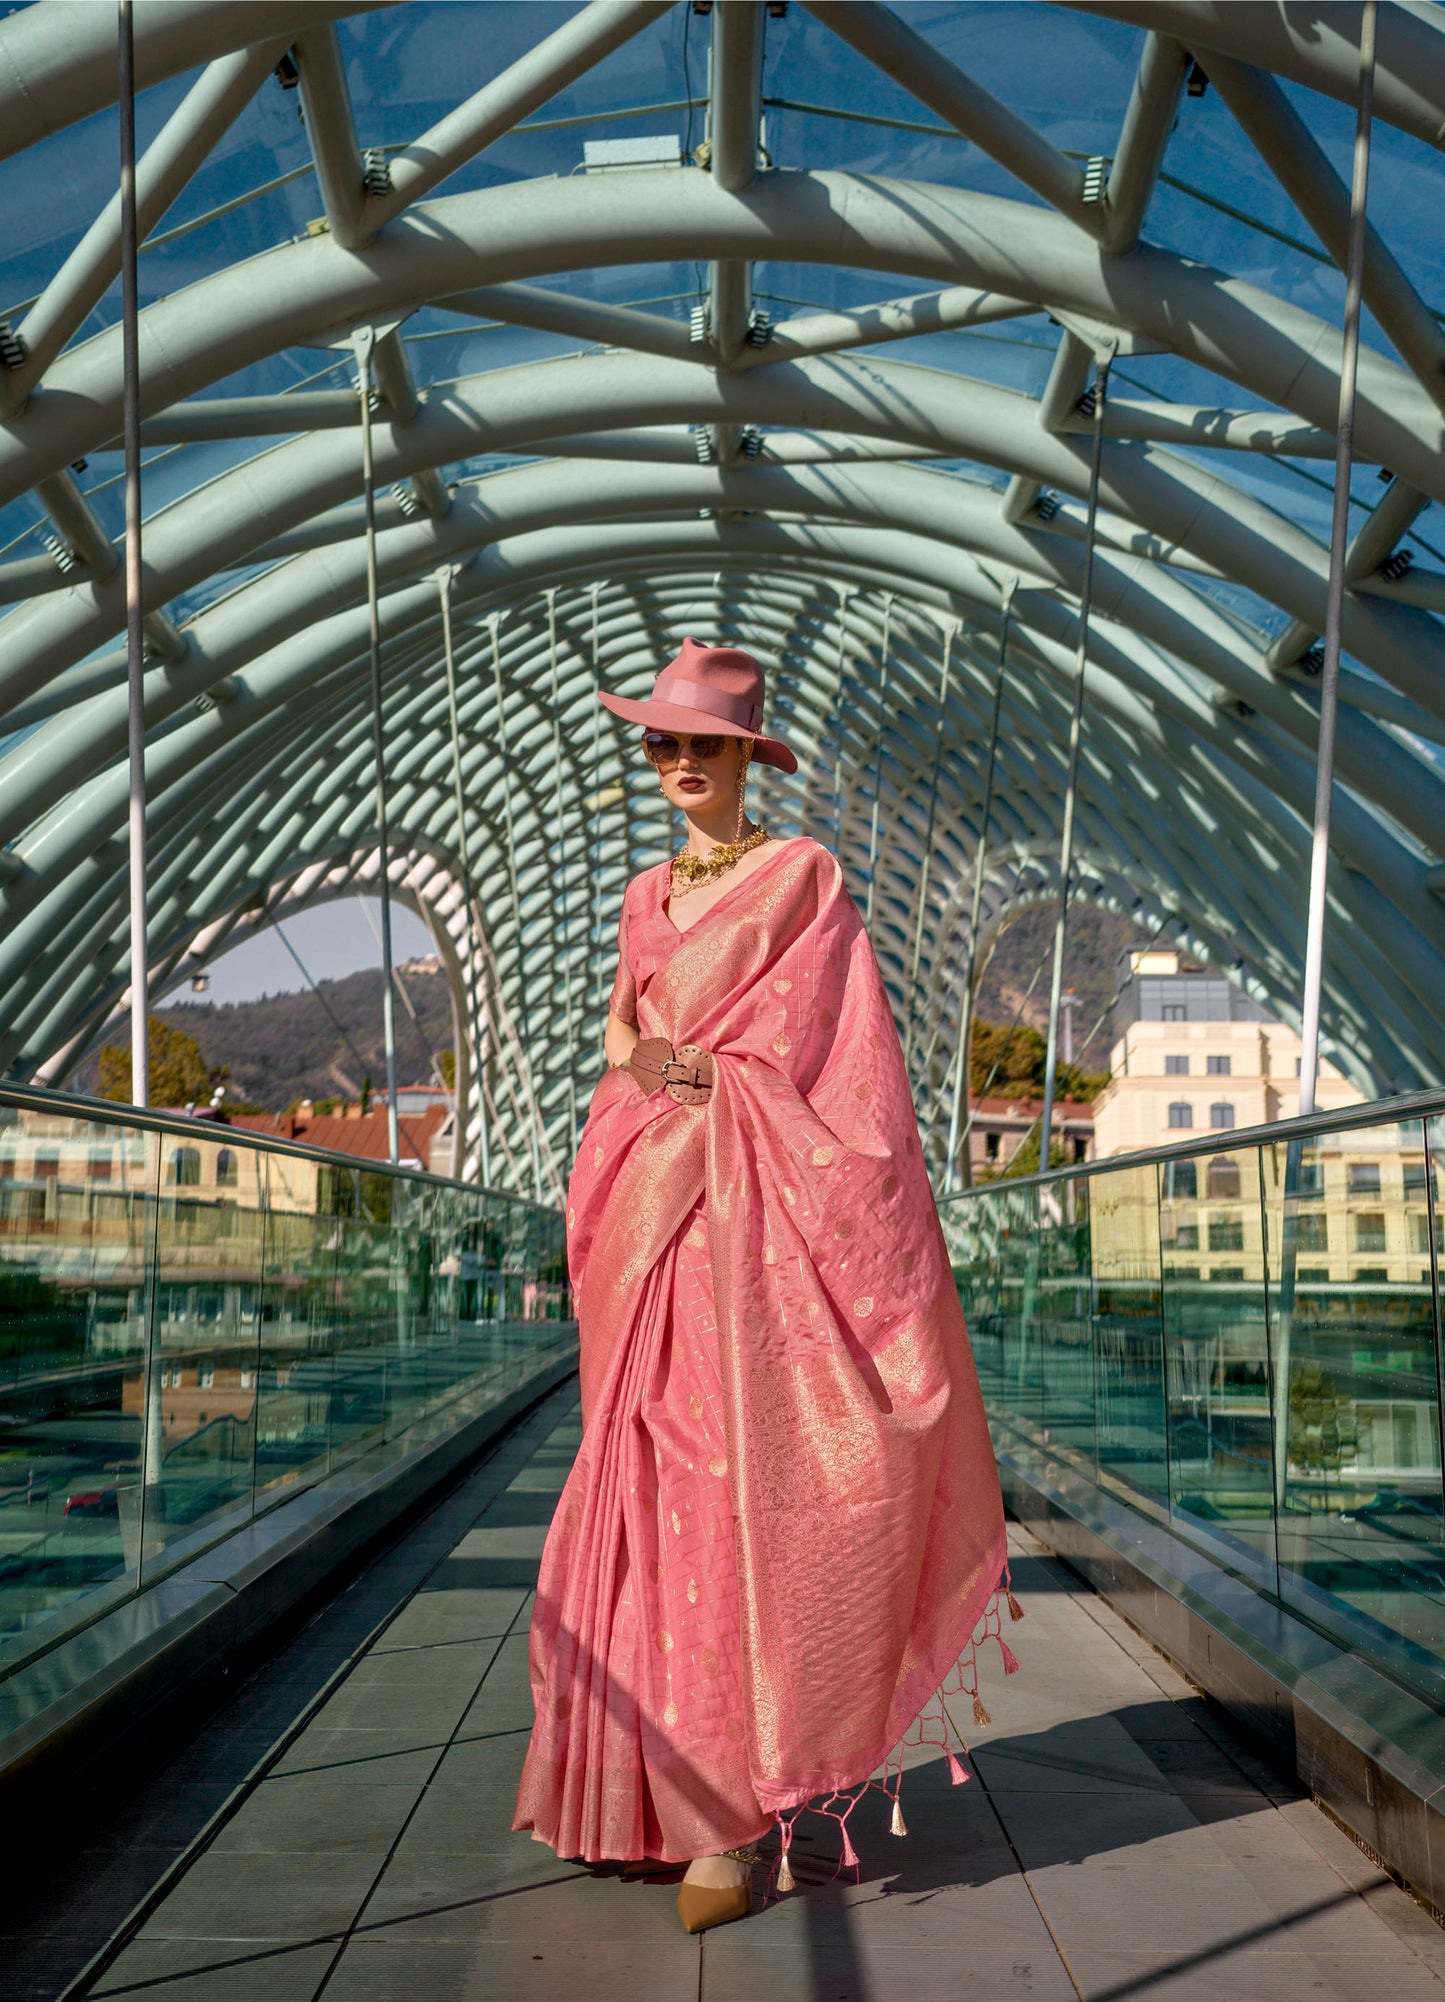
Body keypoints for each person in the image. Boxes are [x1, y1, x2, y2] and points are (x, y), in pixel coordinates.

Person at [513, 637, 1015, 1934]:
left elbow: (837, 1066)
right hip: (645, 1214)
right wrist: (649, 1068)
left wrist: (703, 1078)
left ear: (750, 758)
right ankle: (644, 1794)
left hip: (753, 1228)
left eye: (707, 743)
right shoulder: (642, 893)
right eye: (663, 741)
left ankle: (734, 1815)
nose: (681, 761)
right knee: (642, 1486)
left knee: (733, 1493)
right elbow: (623, 1032)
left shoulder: (803, 879)